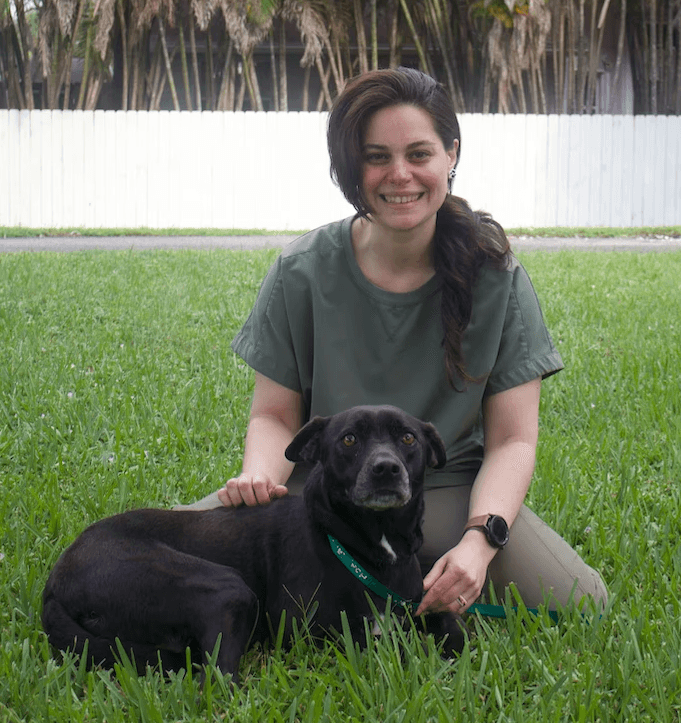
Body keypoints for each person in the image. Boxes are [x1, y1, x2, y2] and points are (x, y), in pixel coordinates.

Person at [181, 67, 607, 618]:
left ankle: (398, 582)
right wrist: (261, 474)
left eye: (420, 154)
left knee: (580, 601)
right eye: (377, 156)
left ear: (450, 155)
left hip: (446, 487)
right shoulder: (301, 271)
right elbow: (275, 416)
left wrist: (479, 542)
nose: (399, 175)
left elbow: (513, 441)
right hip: (323, 488)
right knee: (159, 552)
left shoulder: (496, 277)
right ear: (352, 166)